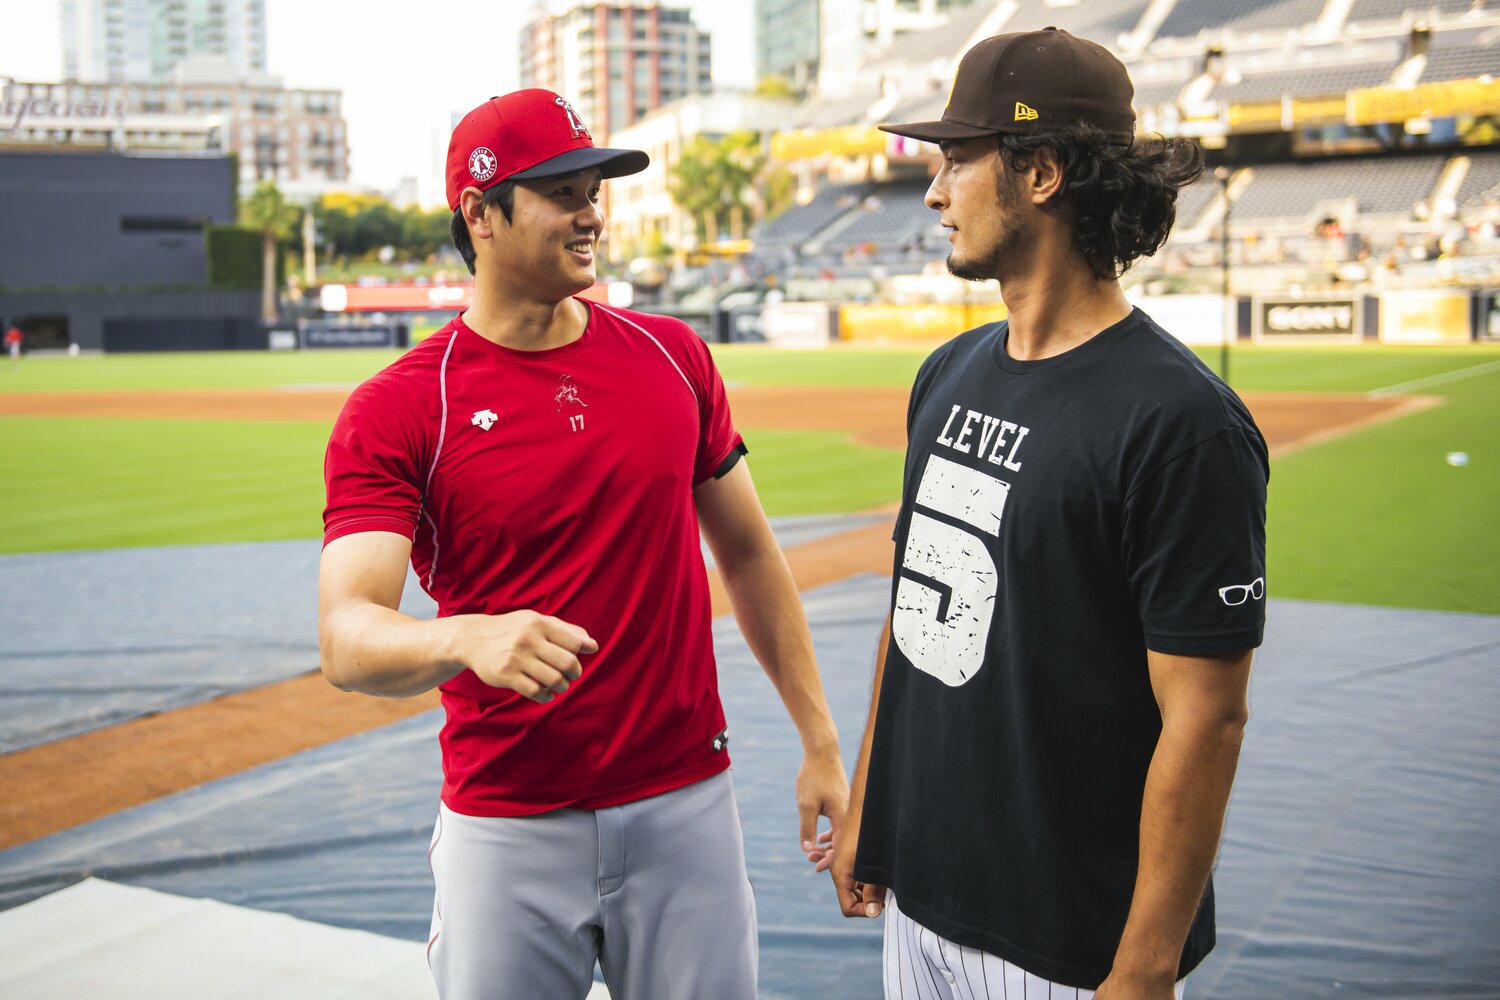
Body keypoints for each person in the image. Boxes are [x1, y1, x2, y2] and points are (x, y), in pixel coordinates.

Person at [319, 88, 849, 1000]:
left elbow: (750, 555)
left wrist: (821, 741)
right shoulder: (401, 408)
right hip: (508, 824)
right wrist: (465, 637)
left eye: (593, 190)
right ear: (480, 214)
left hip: (687, 801)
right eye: (561, 191)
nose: (591, 213)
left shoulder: (675, 356)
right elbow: (346, 636)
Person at [811, 29, 1269, 1000]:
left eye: (957, 158)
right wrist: (872, 813)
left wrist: (1144, 966)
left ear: (1043, 172)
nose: (934, 192)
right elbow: (912, 615)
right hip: (920, 894)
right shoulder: (947, 373)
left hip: (1068, 944)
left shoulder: (1181, 422)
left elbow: (1208, 717)